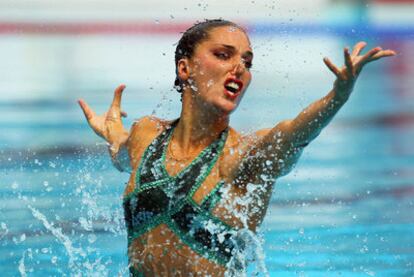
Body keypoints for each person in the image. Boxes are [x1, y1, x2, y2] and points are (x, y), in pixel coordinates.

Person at [78, 19, 395, 276]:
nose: (239, 67)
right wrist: (114, 134)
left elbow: (293, 134)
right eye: (223, 55)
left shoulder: (242, 156)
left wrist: (336, 97)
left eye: (247, 61)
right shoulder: (146, 133)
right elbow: (123, 155)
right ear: (184, 68)